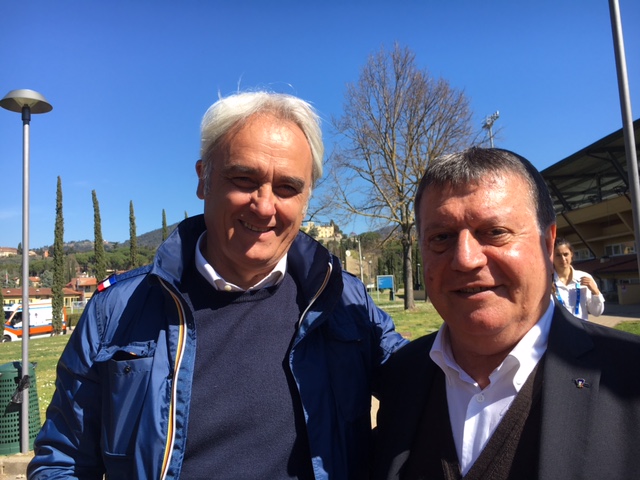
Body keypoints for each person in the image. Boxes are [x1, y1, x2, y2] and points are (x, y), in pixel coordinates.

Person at [28, 91, 407, 480]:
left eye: (288, 188)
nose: (264, 206)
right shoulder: (117, 311)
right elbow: (63, 462)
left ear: (307, 198)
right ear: (203, 179)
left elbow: (435, 384)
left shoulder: (343, 302)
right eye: (244, 179)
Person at [373, 147, 640, 480]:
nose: (466, 258)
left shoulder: (630, 376)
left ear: (547, 243)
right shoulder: (400, 378)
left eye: (494, 232)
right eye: (441, 237)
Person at [553, 238, 604, 320]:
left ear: (571, 254)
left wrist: (595, 292)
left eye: (566, 254)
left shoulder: (585, 277)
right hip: (558, 330)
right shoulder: (546, 281)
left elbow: (597, 312)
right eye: (558, 255)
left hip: (580, 330)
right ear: (551, 257)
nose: (563, 259)